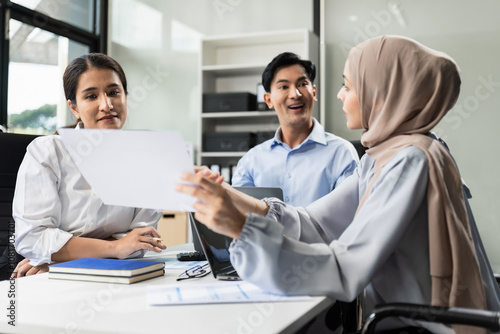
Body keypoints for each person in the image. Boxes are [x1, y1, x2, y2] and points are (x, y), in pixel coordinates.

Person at [177, 36, 500, 333]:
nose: (339, 95)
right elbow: (314, 223)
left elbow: (346, 268)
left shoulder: (410, 159)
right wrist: (233, 196)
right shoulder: (382, 156)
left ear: (381, 92)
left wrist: (242, 229)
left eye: (349, 86)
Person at [12, 53, 166, 278]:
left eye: (114, 92)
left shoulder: (146, 160)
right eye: (91, 96)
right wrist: (115, 247)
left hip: (113, 276)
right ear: (74, 108)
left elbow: (140, 240)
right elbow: (33, 238)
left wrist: (57, 257)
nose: (107, 105)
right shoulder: (47, 152)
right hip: (53, 280)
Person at [231, 52, 359, 206]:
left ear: (314, 92)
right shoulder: (250, 162)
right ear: (268, 100)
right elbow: (241, 219)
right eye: (284, 86)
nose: (295, 94)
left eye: (302, 84)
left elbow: (346, 215)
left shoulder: (342, 153)